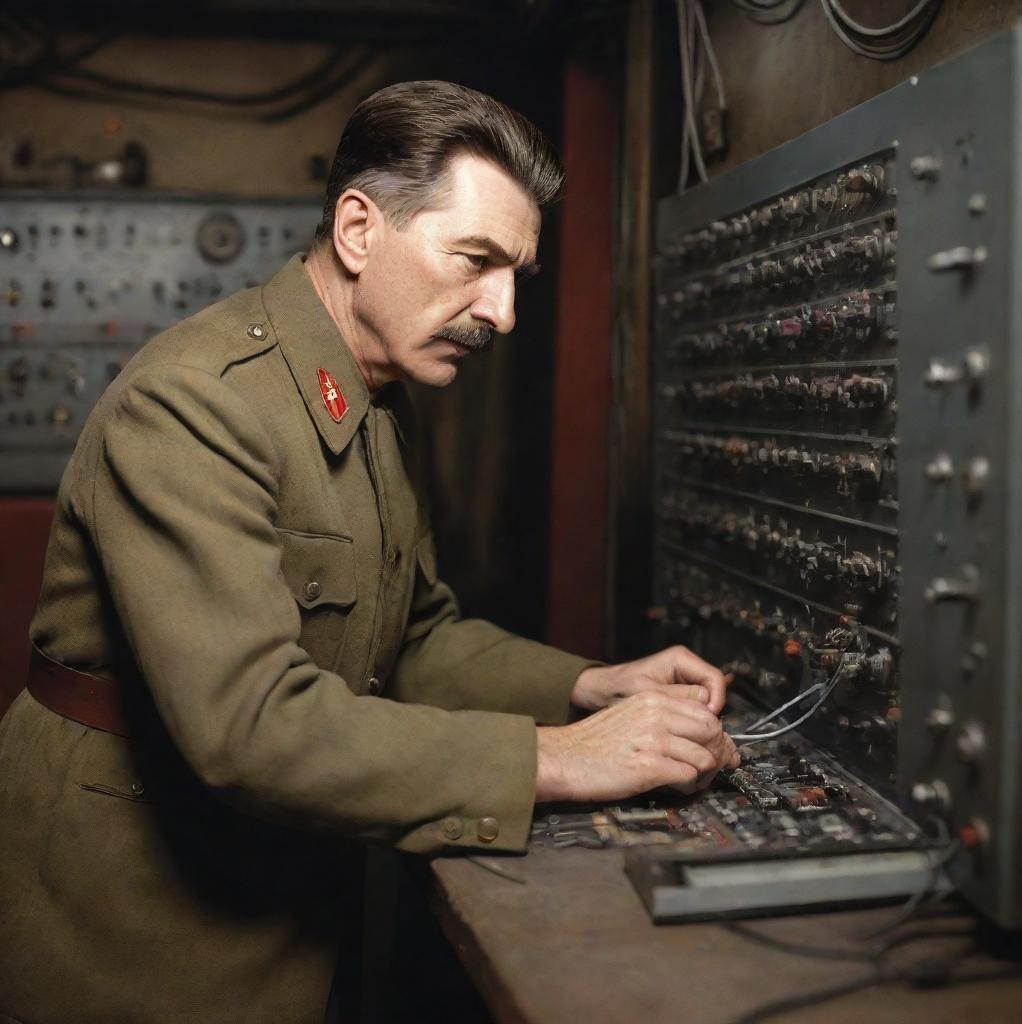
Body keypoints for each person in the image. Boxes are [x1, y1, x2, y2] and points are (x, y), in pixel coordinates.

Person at [0, 80, 738, 1024]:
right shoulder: (196, 402)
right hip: (132, 932)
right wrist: (554, 758)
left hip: (295, 890)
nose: (502, 312)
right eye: (474, 260)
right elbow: (250, 725)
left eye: (516, 276)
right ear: (358, 231)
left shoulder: (376, 400)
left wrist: (593, 686)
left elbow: (413, 637)